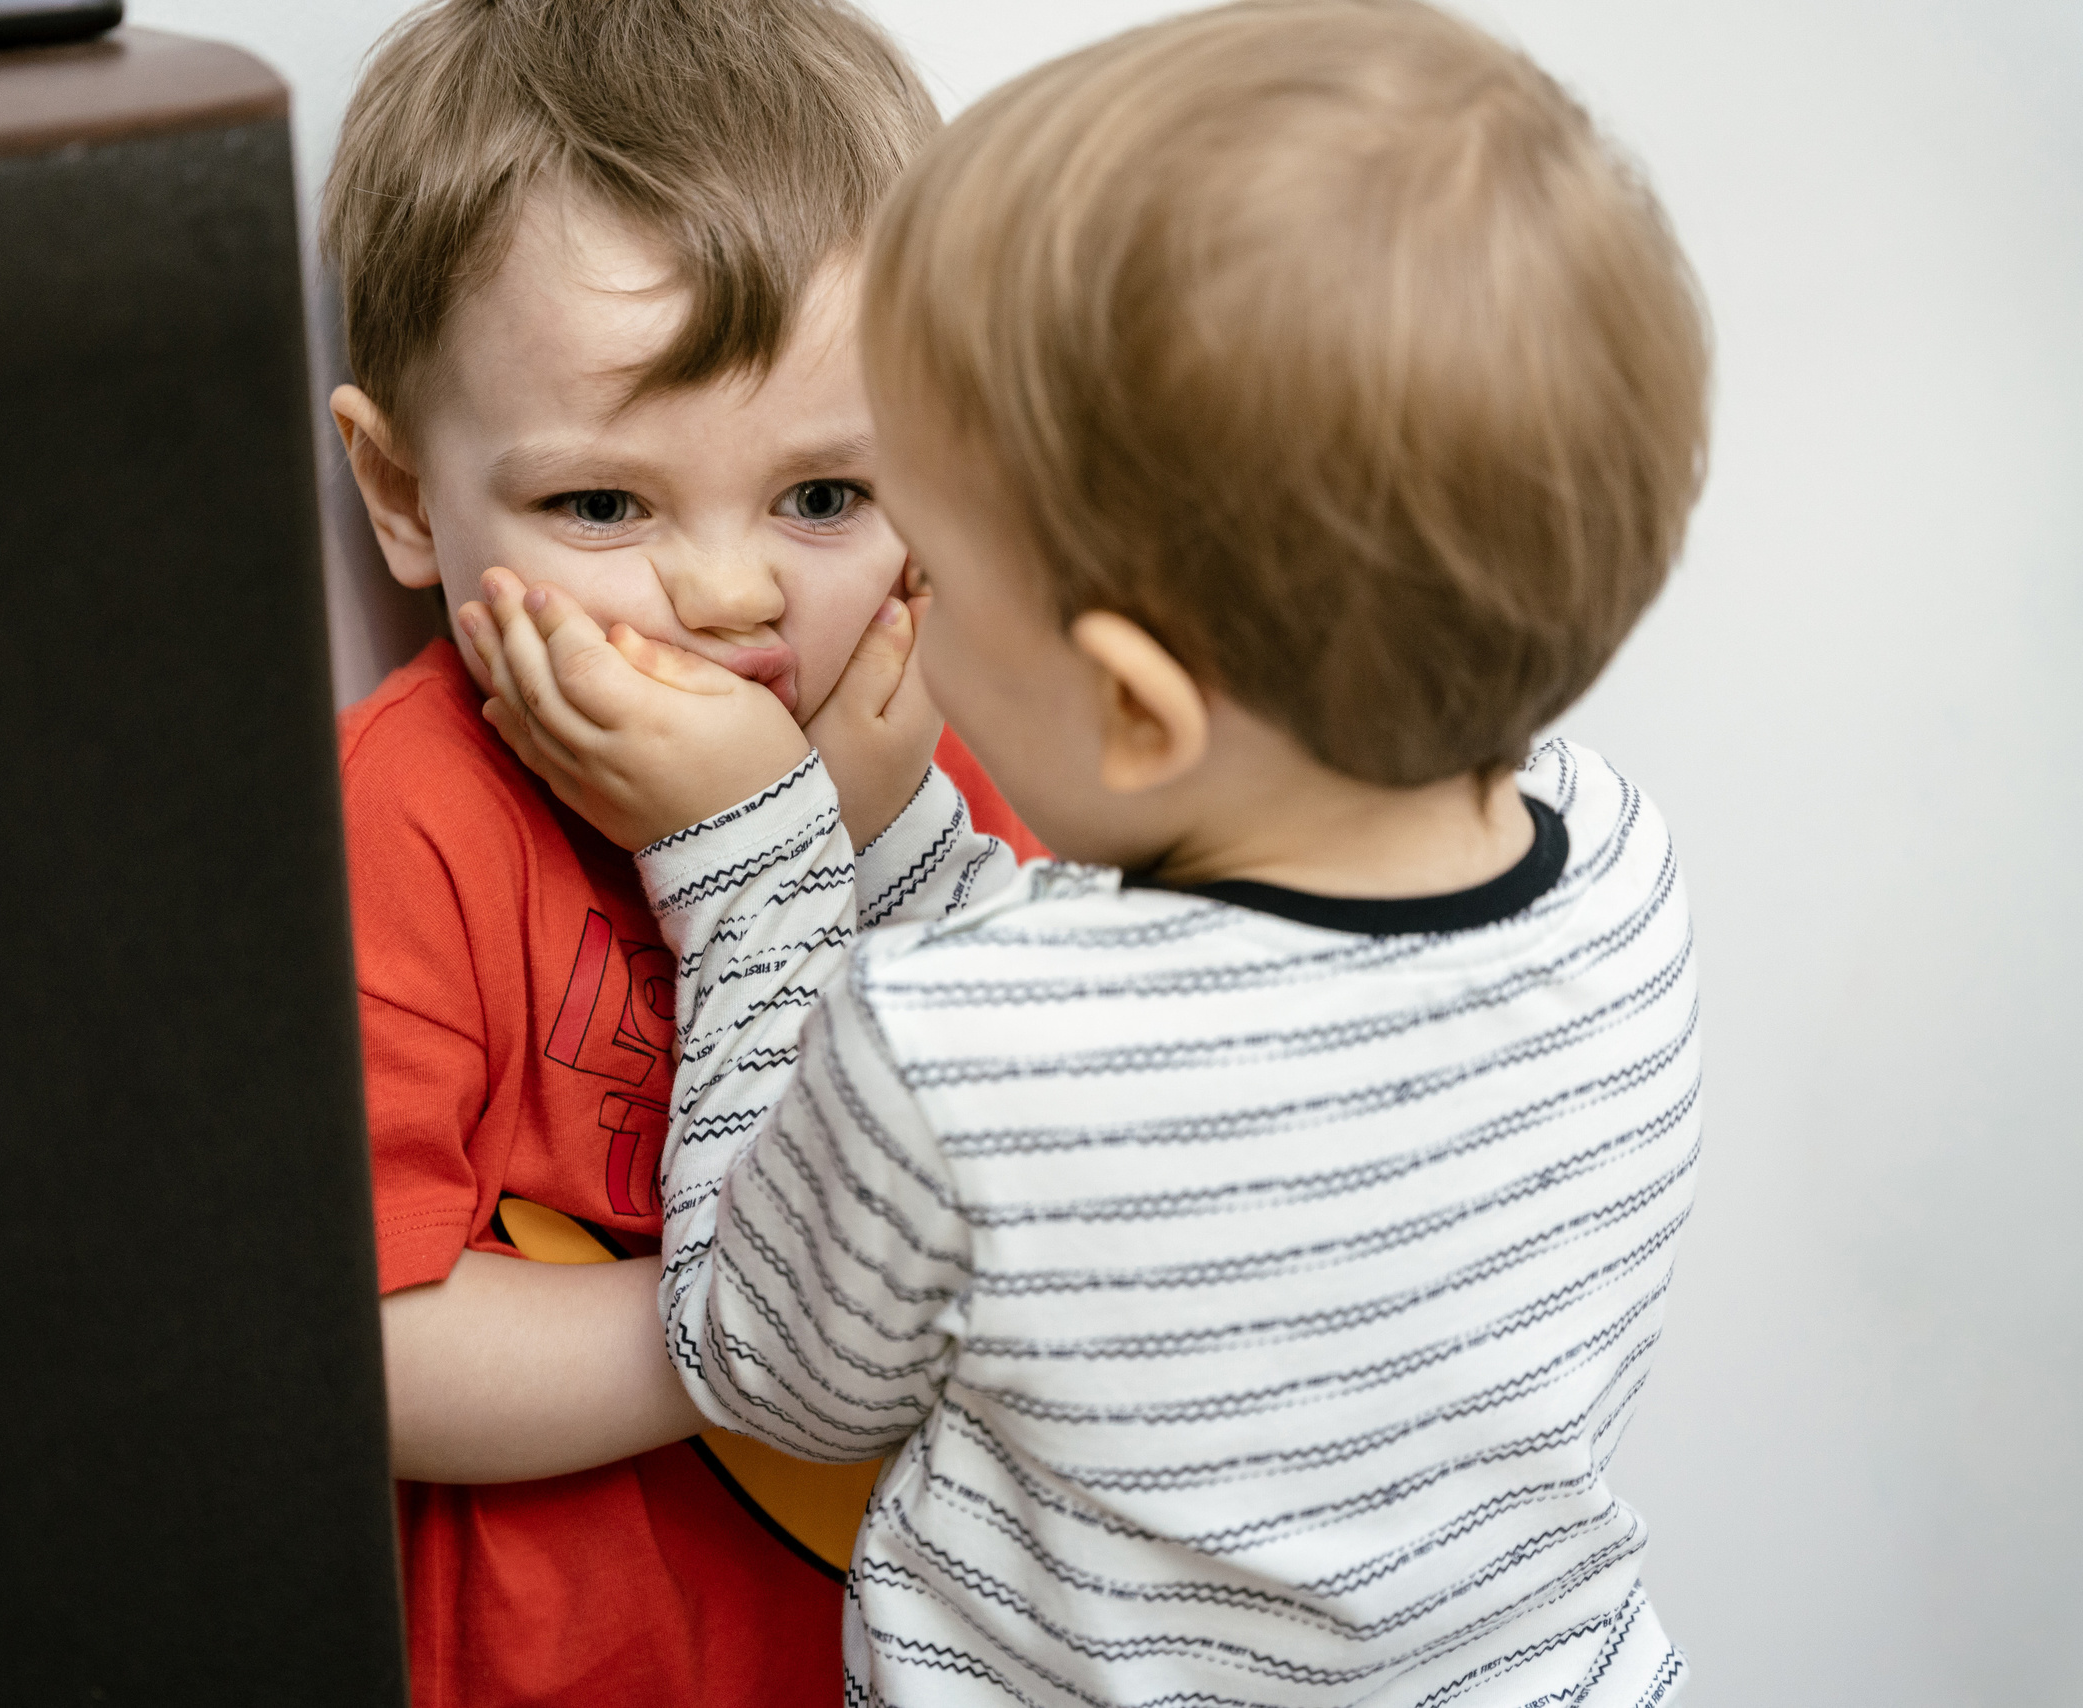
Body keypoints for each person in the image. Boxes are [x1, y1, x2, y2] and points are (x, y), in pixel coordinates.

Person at [462, 0, 1713, 1701]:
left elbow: (762, 1365)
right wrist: (905, 828)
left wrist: (757, 868)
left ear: (1132, 707)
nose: (890, 609)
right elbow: (1163, 1040)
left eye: (934, 568)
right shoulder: (1613, 868)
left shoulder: (952, 1051)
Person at [316, 1, 1044, 1703]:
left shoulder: (921, 738)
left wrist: (866, 842)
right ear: (407, 493)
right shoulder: (405, 821)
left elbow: (1046, 1189)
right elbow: (360, 1345)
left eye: (822, 498)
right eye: (603, 508)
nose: (732, 596)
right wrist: (767, 1335)